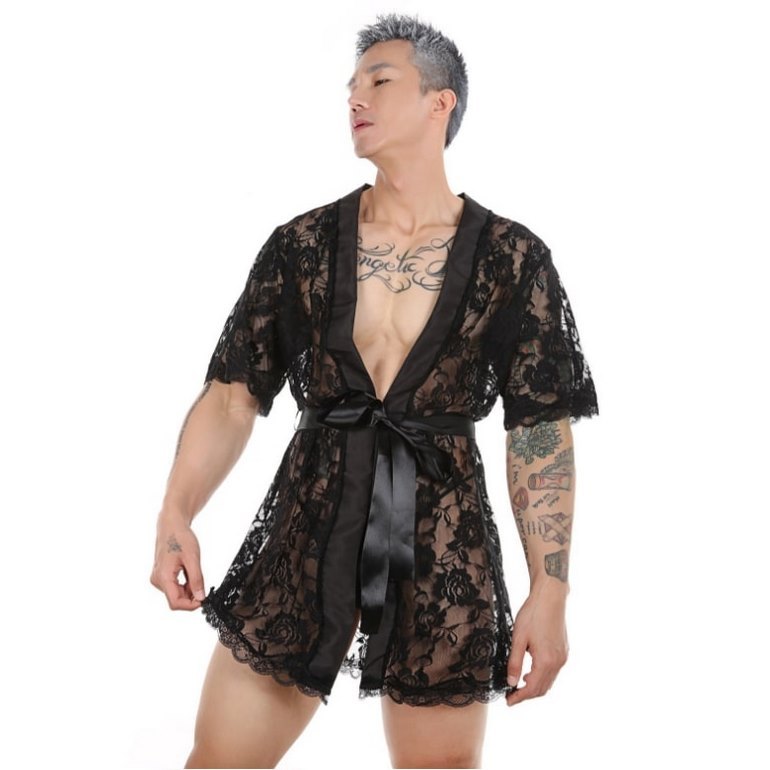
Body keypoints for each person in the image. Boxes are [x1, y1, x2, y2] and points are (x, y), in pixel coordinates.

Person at [150, 12, 599, 769]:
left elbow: (538, 432)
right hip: (306, 532)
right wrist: (176, 512)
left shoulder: (513, 259)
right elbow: (231, 395)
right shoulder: (301, 245)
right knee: (219, 760)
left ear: (439, 102)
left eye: (379, 81)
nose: (355, 97)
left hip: (443, 543)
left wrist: (549, 593)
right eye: (351, 85)